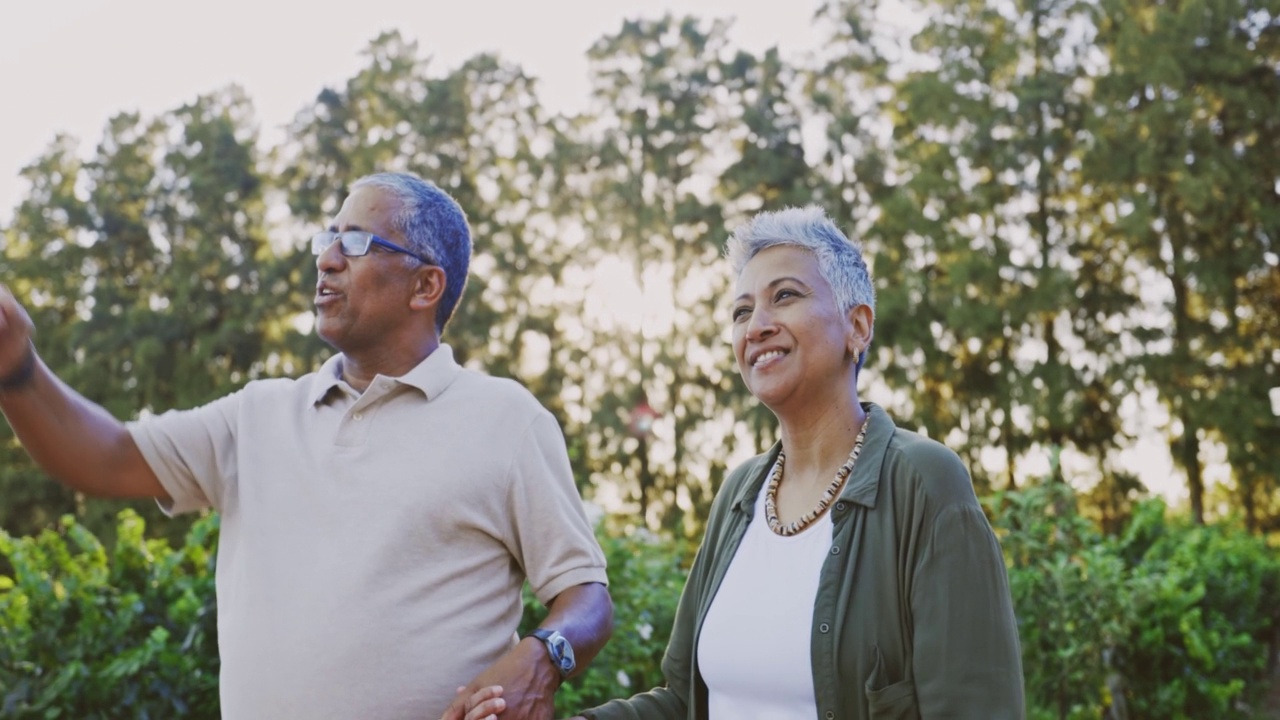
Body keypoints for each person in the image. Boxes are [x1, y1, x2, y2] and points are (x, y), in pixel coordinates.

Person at [0, 172, 613, 720]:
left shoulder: (506, 420)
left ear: (425, 286)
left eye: (355, 242)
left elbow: (586, 596)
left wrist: (543, 655)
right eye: (328, 237)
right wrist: (16, 368)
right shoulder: (257, 415)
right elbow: (102, 457)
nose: (326, 260)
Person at [461, 206, 1024, 720]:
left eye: (785, 296)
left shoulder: (923, 481)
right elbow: (683, 703)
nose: (756, 326)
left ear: (857, 326)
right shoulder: (740, 495)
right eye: (741, 311)